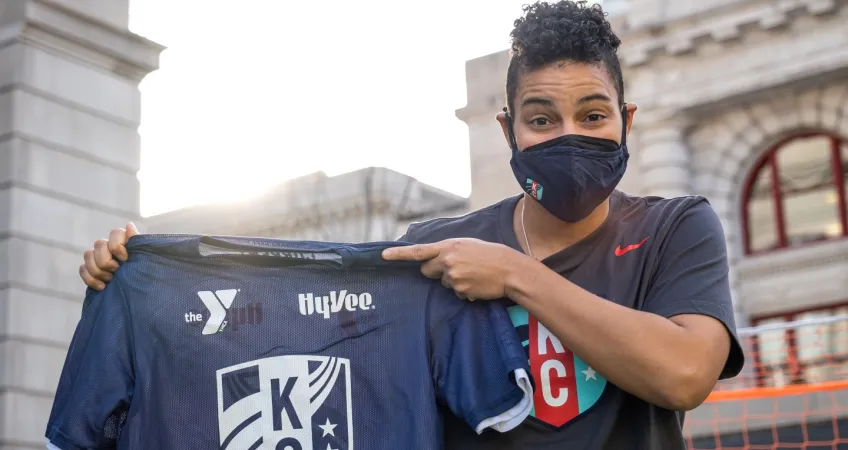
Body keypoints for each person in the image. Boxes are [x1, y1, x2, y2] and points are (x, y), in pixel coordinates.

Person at [78, 1, 744, 449]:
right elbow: (300, 334)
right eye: (542, 120)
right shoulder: (427, 253)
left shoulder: (674, 229)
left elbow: (684, 374)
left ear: (627, 122)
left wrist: (514, 274)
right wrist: (151, 282)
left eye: (593, 116)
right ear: (509, 132)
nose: (570, 135)